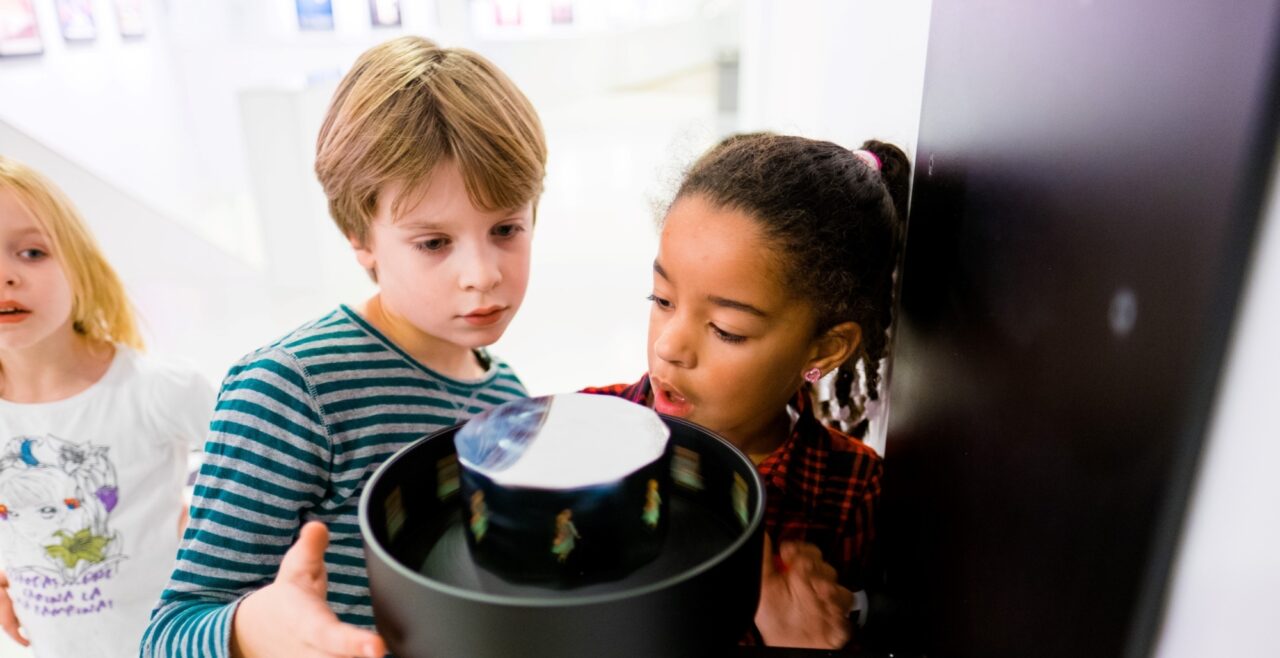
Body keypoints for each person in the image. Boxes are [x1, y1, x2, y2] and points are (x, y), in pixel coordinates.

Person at [140, 35, 546, 658]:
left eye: (506, 229)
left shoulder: (509, 394)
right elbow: (167, 636)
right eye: (434, 242)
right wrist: (251, 630)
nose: (483, 273)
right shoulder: (290, 389)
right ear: (360, 237)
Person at [584, 133, 908, 649]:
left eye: (726, 330)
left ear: (824, 349)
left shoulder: (854, 496)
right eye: (661, 298)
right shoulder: (584, 428)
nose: (669, 346)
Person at [0, 156, 213, 658]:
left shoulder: (160, 390)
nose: (5, 276)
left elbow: (262, 475)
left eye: (31, 252)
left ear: (80, 264)